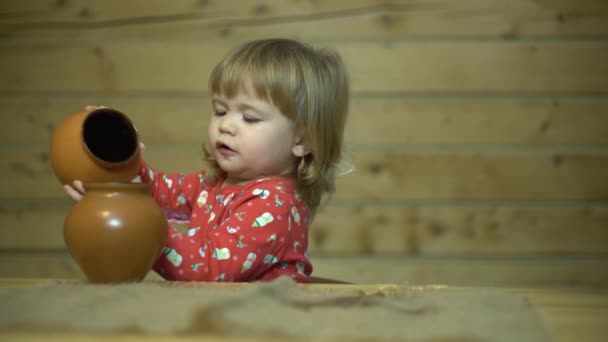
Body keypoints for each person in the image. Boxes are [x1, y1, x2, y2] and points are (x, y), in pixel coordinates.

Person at [64, 38, 350, 283]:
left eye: (249, 117)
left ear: (301, 141)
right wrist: (119, 159)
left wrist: (139, 231)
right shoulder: (216, 183)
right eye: (220, 110)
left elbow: (208, 267)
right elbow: (160, 191)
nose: (227, 125)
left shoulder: (277, 208)